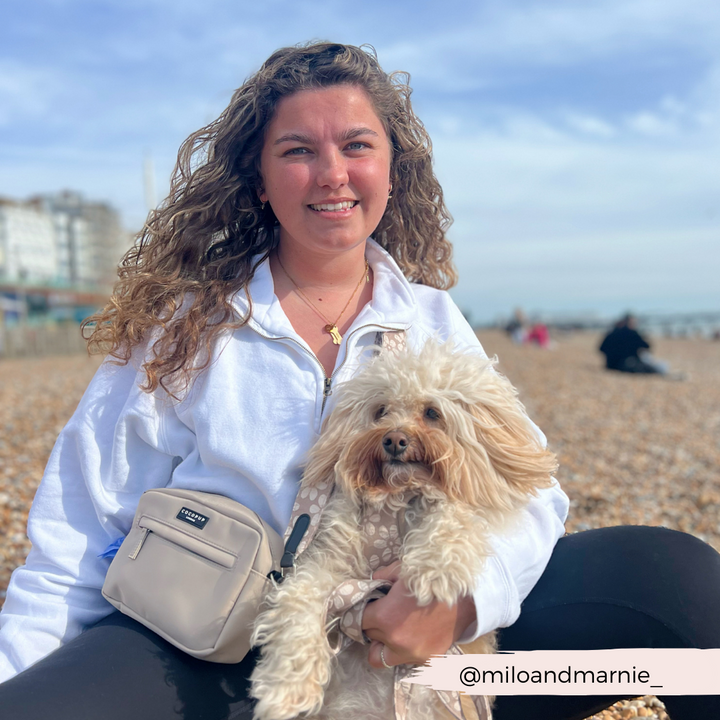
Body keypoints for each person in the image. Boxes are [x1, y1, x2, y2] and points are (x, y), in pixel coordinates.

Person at [0, 43, 718, 720]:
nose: (332, 174)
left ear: (392, 169)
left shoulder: (432, 318)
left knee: (671, 580)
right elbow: (75, 537)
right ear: (258, 179)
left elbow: (532, 491)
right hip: (209, 659)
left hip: (418, 654)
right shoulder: (182, 329)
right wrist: (21, 672)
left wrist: (463, 604)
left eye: (356, 145)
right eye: (298, 151)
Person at [599, 313, 666, 374]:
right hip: (627, 364)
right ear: (630, 323)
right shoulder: (632, 334)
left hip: (610, 365)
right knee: (657, 367)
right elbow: (647, 346)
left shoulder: (612, 333)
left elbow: (601, 348)